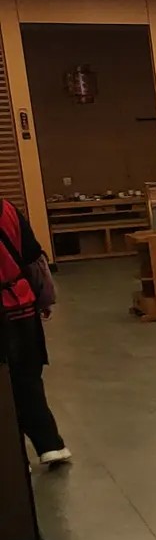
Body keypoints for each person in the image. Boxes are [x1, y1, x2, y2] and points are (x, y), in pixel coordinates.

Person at [0, 197, 68, 466]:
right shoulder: (6, 209)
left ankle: (14, 461)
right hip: (22, 304)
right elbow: (33, 257)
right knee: (27, 377)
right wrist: (45, 298)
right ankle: (50, 445)